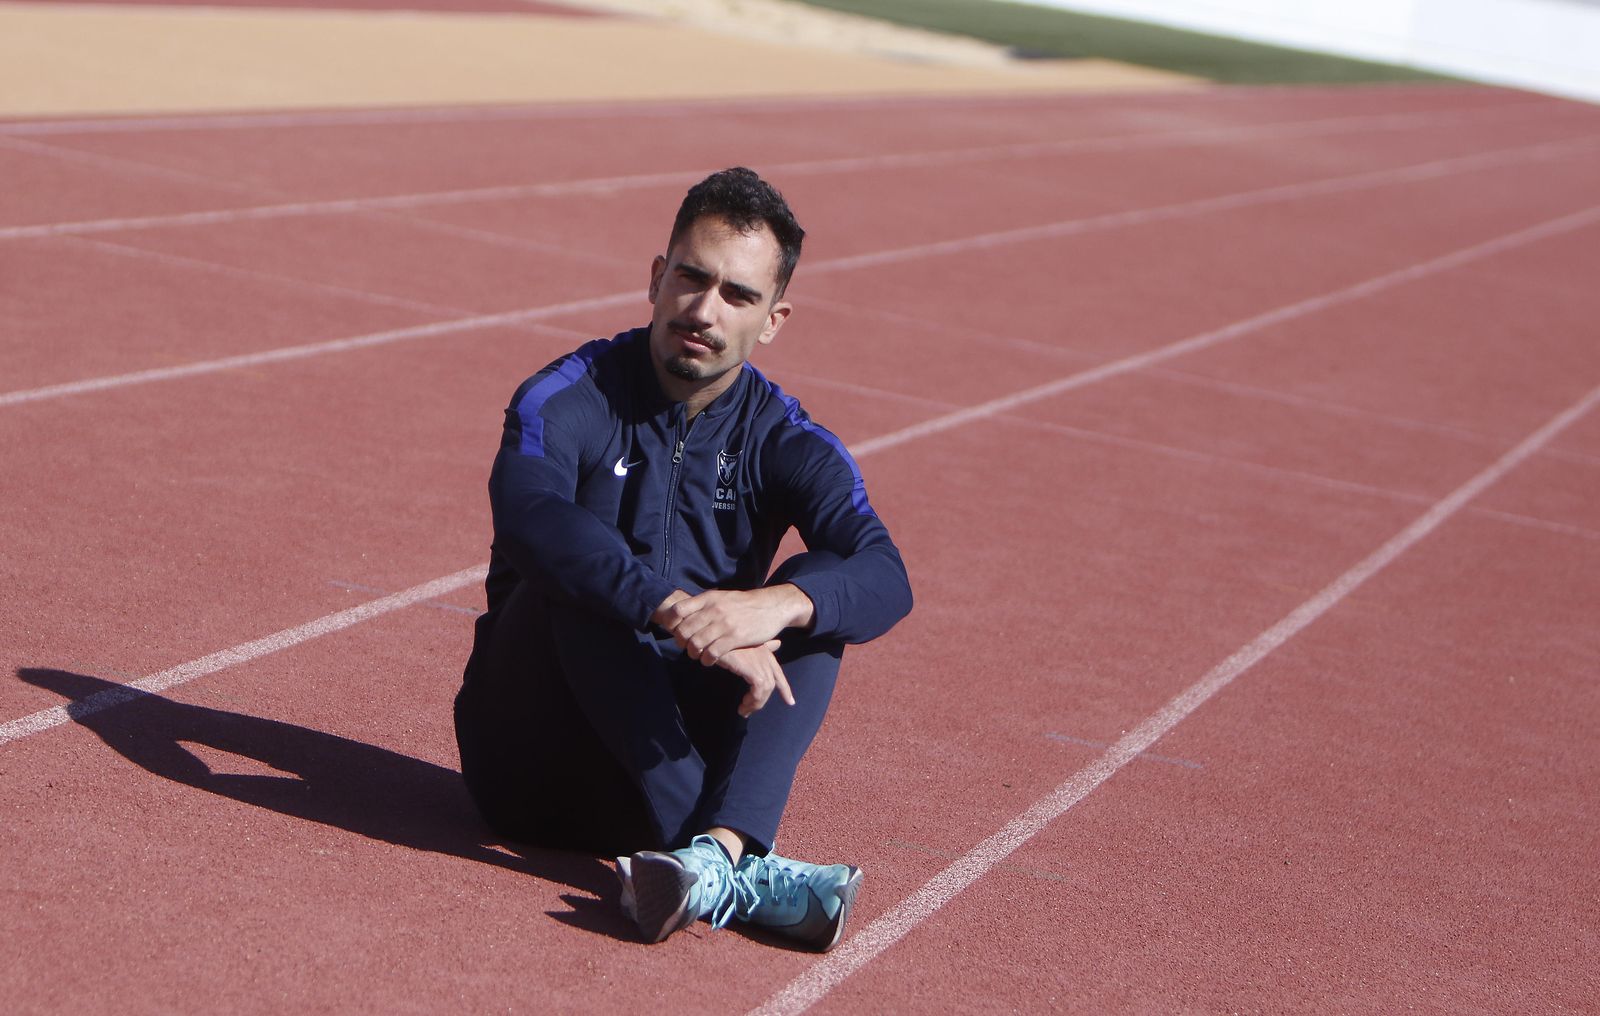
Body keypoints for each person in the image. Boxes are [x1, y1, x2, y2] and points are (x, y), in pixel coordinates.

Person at [453, 167, 912, 951]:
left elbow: (885, 574)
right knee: (575, 573)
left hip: (664, 774)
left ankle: (713, 858)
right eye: (692, 279)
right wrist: (665, 604)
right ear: (657, 279)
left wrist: (774, 606)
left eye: (737, 295)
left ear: (773, 320)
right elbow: (528, 515)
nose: (704, 310)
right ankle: (732, 864)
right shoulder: (570, 392)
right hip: (529, 763)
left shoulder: (786, 437)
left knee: (818, 592)